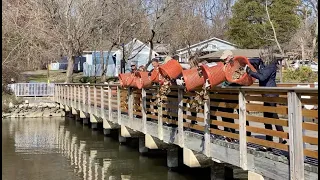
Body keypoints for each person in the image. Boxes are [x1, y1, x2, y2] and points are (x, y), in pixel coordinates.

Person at [245, 48, 287, 150]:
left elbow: (263, 77)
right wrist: (243, 61)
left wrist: (250, 72)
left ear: (267, 56)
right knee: (271, 116)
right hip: (265, 94)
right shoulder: (261, 61)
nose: (261, 57)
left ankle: (270, 142)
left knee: (268, 117)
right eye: (260, 55)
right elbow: (250, 60)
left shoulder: (271, 65)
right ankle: (279, 138)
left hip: (271, 94)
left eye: (263, 56)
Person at [217, 50, 251, 142]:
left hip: (237, 92)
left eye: (225, 58)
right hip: (227, 94)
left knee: (241, 112)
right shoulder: (224, 66)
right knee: (226, 113)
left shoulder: (237, 65)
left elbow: (237, 78)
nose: (224, 60)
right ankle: (229, 134)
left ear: (230, 57)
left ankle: (246, 133)